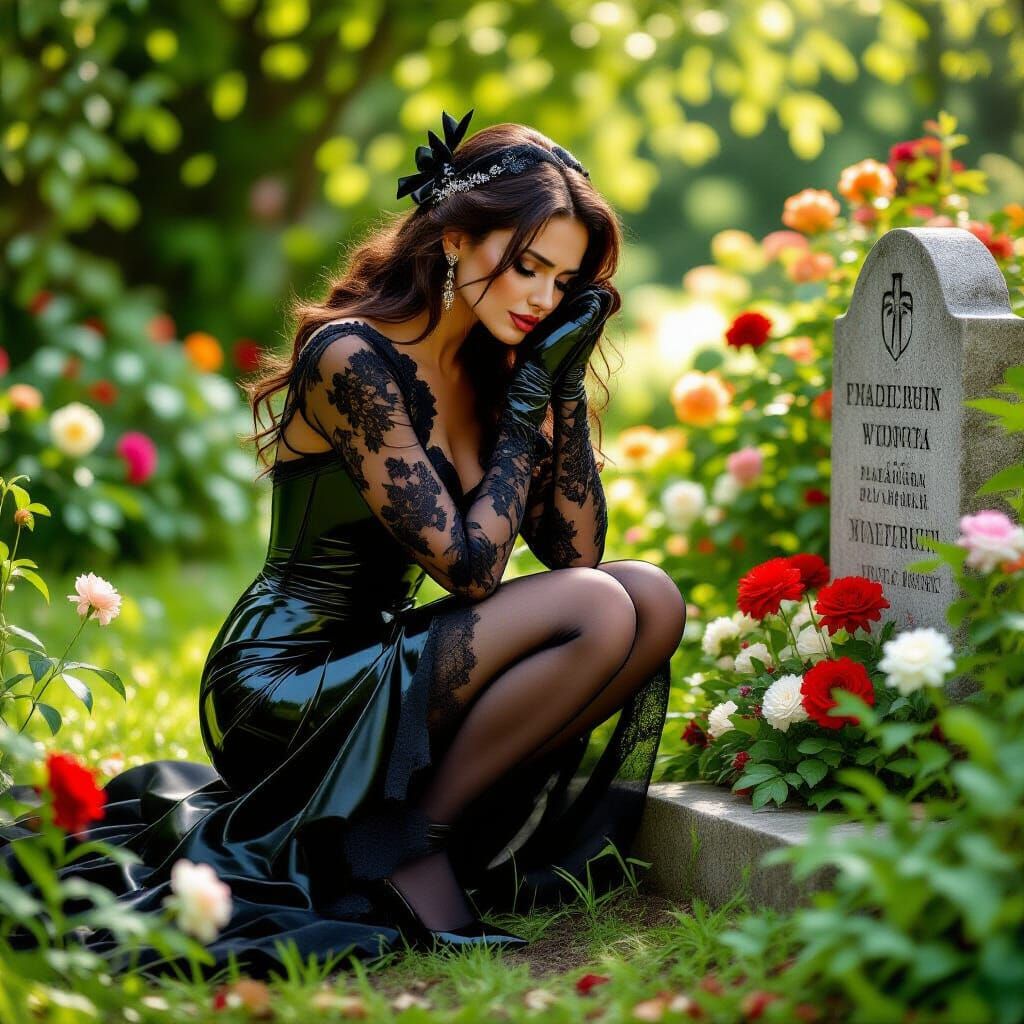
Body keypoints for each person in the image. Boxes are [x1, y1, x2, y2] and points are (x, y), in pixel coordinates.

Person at [1, 110, 685, 978]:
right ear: (455, 240)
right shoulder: (351, 356)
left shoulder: (500, 365)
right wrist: (521, 415)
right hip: (283, 679)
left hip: (389, 654)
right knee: (596, 607)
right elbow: (471, 570)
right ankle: (406, 851)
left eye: (564, 281)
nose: (542, 299)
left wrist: (553, 381)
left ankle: (409, 838)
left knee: (652, 597)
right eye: (526, 267)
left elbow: (575, 549)